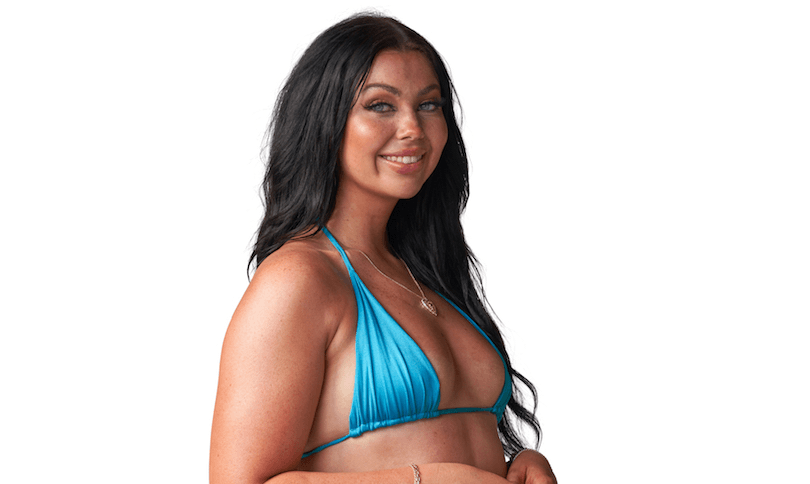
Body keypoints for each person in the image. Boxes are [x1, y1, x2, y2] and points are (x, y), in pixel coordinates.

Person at [210, 13, 557, 484]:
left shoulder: (428, 272)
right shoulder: (299, 280)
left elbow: (451, 439)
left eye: (429, 105)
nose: (413, 128)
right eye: (380, 105)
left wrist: (520, 464)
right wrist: (427, 479)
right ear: (325, 120)